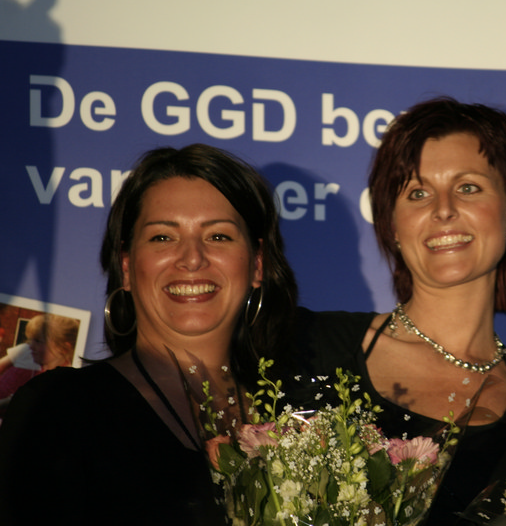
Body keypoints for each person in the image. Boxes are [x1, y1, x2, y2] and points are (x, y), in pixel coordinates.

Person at [0, 144, 298, 525]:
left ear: (258, 264)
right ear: (126, 266)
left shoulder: (299, 418)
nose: (192, 258)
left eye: (218, 236)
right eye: (162, 237)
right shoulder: (58, 410)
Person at [286, 97, 506, 525]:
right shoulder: (309, 343)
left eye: (468, 187)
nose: (443, 210)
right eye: (418, 193)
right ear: (393, 224)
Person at [0, 314, 78, 415]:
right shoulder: (26, 351)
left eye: (38, 341)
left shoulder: (64, 380)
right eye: (30, 339)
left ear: (63, 348)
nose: (30, 345)